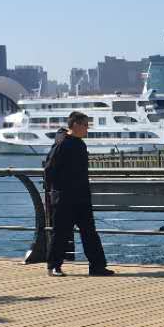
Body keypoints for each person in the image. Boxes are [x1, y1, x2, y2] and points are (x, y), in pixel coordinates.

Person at [43, 111, 114, 277]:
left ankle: (97, 266)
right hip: (64, 196)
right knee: (61, 232)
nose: (87, 129)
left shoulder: (80, 144)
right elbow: (50, 168)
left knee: (89, 232)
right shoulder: (62, 143)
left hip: (81, 196)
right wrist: (51, 191)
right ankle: (54, 266)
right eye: (85, 125)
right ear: (75, 125)